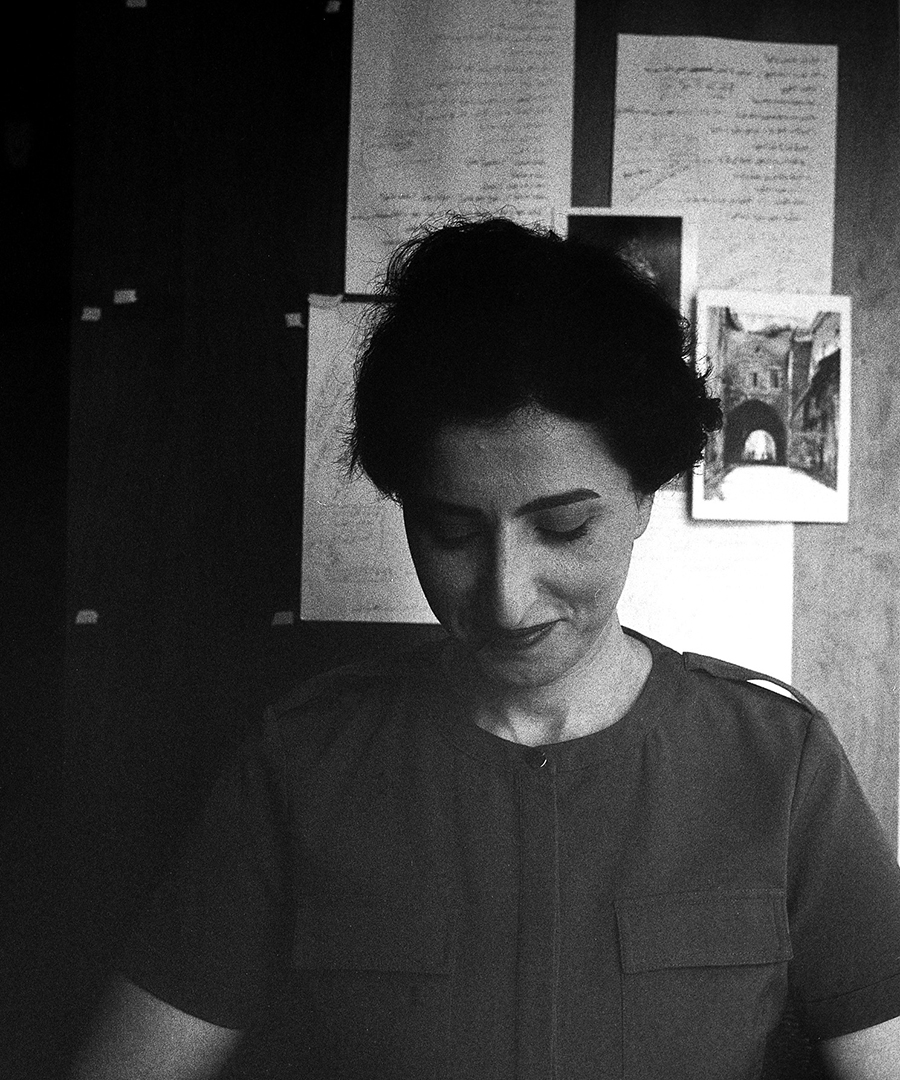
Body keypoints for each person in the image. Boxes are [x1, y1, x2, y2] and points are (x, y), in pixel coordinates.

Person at [73, 217, 900, 1079]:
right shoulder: (304, 761)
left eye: (564, 527)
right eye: (451, 531)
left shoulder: (779, 764)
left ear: (644, 497)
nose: (506, 597)